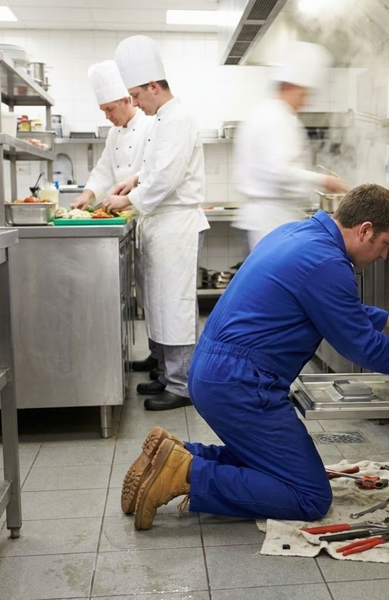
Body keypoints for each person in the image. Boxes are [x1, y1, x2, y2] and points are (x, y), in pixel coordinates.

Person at [121, 183, 389, 530]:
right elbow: (363, 347)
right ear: (365, 230)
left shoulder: (299, 234)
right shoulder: (327, 263)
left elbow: (330, 306)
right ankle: (189, 473)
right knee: (308, 495)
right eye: (385, 245)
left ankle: (177, 455)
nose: (384, 255)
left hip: (214, 372)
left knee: (268, 464)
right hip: (242, 386)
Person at [104, 35, 209, 411]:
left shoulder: (178, 118)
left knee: (174, 305)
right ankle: (167, 374)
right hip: (159, 225)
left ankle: (182, 386)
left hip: (175, 225)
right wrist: (134, 181)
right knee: (159, 303)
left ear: (153, 86)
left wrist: (128, 199)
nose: (134, 103)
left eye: (136, 95)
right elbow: (153, 170)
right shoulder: (162, 119)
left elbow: (166, 178)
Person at [70, 60, 159, 378]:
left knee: (155, 293)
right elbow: (104, 169)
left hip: (144, 212)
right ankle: (155, 352)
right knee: (146, 293)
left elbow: (150, 170)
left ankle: (163, 359)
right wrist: (87, 195)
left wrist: (128, 192)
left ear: (126, 100)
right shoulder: (113, 133)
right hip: (129, 219)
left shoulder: (150, 125)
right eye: (103, 110)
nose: (107, 115)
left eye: (110, 108)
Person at [234, 41, 347, 251]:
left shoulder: (267, 113)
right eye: (304, 95)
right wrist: (324, 180)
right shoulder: (276, 117)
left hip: (271, 219)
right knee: (275, 282)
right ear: (288, 86)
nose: (306, 102)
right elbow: (279, 172)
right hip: (272, 222)